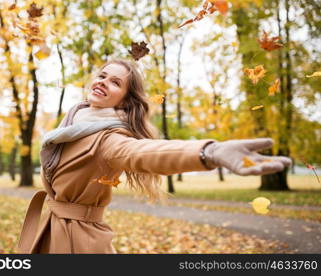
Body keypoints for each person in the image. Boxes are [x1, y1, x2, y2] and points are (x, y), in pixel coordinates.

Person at [16, 58, 292, 254]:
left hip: (79, 242)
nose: (103, 82)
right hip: (53, 228)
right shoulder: (72, 125)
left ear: (124, 100)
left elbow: (147, 152)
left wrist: (210, 152)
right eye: (102, 75)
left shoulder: (110, 139)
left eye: (115, 82)